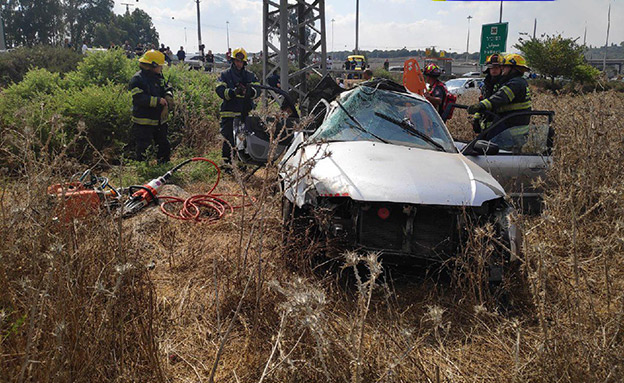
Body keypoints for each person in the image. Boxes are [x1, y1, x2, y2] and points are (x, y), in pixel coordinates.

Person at [215, 47, 260, 167]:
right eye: (237, 61)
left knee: (243, 141)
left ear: (244, 62)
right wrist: (233, 92)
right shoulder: (225, 75)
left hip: (244, 114)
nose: (239, 63)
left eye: (241, 61)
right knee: (228, 141)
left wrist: (249, 92)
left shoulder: (250, 76)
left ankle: (241, 164)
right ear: (233, 61)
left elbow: (258, 90)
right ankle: (227, 165)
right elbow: (220, 90)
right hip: (229, 114)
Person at [467, 53, 532, 135]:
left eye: (504, 66)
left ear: (513, 68)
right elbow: (485, 100)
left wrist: (480, 106)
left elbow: (500, 98)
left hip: (511, 132)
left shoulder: (515, 83)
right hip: (505, 128)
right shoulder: (514, 82)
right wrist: (477, 117)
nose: (502, 68)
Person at [128, 50, 173, 163]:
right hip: (144, 121)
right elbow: (139, 98)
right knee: (143, 147)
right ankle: (143, 170)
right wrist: (158, 101)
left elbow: (166, 87)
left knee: (163, 145)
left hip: (159, 120)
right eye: (160, 66)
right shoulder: (137, 79)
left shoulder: (158, 76)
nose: (161, 68)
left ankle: (163, 166)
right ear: (152, 65)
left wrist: (168, 95)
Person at [472, 53, 504, 133]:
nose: (494, 70)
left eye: (496, 67)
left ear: (501, 68)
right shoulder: (486, 84)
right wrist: (476, 118)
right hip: (486, 122)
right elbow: (482, 100)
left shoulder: (505, 83)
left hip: (501, 122)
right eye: (491, 67)